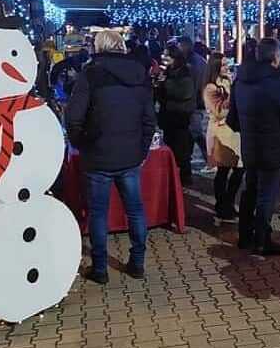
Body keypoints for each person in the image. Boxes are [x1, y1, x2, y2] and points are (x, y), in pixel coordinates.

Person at [66, 30, 156, 283]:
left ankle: (100, 268)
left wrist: (81, 143)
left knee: (98, 213)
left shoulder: (90, 73)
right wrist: (142, 149)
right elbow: (150, 119)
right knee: (136, 210)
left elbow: (74, 117)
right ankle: (137, 263)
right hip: (130, 155)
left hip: (98, 155)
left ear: (99, 46)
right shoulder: (140, 73)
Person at [227, 38, 280, 255]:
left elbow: (233, 119)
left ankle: (245, 235)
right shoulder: (277, 82)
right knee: (267, 194)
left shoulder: (241, 81)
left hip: (250, 144)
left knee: (250, 189)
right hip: (273, 144)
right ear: (275, 56)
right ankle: (262, 239)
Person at [203, 52, 244, 222]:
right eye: (224, 65)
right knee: (223, 170)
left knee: (239, 168)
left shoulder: (228, 81)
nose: (227, 67)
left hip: (232, 131)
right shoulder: (210, 87)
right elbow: (219, 111)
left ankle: (227, 202)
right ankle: (222, 205)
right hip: (220, 133)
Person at [157, 44, 196, 187]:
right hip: (168, 115)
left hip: (181, 116)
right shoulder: (167, 72)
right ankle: (173, 175)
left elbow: (185, 93)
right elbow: (161, 95)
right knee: (170, 146)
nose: (164, 57)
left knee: (182, 149)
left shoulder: (185, 71)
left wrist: (165, 84)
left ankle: (185, 176)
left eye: (167, 55)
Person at [178, 35, 210, 170]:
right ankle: (188, 158)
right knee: (191, 132)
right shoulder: (196, 60)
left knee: (195, 132)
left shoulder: (193, 63)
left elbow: (194, 85)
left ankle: (209, 158)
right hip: (196, 101)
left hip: (194, 103)